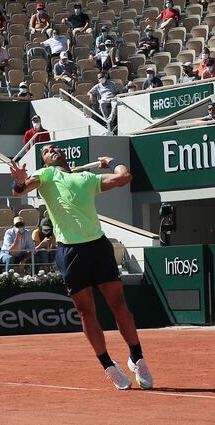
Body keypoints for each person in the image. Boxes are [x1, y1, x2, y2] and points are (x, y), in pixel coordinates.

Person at [10, 145, 153, 391]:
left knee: (119, 306)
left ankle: (137, 357)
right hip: (70, 252)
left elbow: (124, 177)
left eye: (55, 147)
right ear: (44, 162)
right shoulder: (46, 175)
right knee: (87, 313)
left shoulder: (86, 178)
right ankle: (108, 365)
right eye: (46, 150)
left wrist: (111, 159)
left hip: (98, 246)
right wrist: (20, 182)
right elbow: (19, 190)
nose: (52, 149)